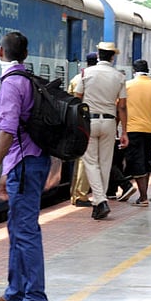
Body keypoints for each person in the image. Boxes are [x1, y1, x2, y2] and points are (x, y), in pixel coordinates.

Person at [0, 31, 51, 301]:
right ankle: (15, 290)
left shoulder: (11, 85)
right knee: (17, 227)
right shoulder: (27, 80)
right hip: (29, 162)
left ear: (0, 52)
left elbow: (8, 131)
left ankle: (34, 297)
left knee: (25, 230)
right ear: (26, 54)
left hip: (24, 164)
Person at [75, 42, 128, 219]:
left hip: (89, 121)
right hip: (109, 122)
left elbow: (77, 99)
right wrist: (124, 131)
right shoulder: (119, 77)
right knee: (105, 163)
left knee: (90, 162)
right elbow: (122, 107)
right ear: (112, 57)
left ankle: (100, 201)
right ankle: (99, 203)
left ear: (98, 55)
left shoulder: (85, 73)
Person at [123, 59, 151, 207]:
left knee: (136, 162)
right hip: (150, 129)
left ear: (134, 70)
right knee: (146, 161)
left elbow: (120, 108)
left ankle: (143, 197)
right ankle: (143, 195)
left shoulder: (127, 85)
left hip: (133, 128)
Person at [68, 52, 97, 208]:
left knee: (80, 158)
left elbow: (70, 101)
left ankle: (75, 193)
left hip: (77, 122)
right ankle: (81, 195)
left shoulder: (76, 79)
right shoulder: (96, 79)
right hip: (90, 122)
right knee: (87, 160)